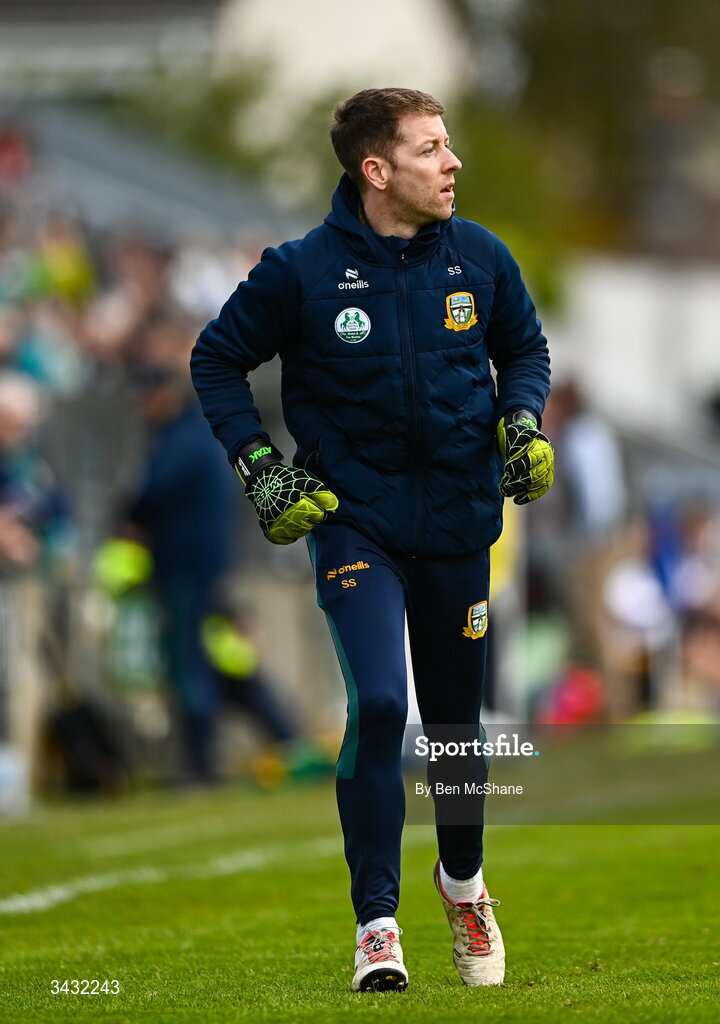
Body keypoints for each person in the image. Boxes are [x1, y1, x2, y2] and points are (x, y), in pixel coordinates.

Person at [191, 87, 553, 992]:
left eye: (449, 145)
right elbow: (215, 360)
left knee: (458, 731)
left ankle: (462, 885)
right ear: (376, 170)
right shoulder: (299, 270)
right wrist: (261, 466)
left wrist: (522, 422)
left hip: (464, 522)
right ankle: (377, 927)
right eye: (432, 149)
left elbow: (527, 350)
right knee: (383, 707)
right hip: (357, 523)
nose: (453, 162)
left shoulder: (482, 257)